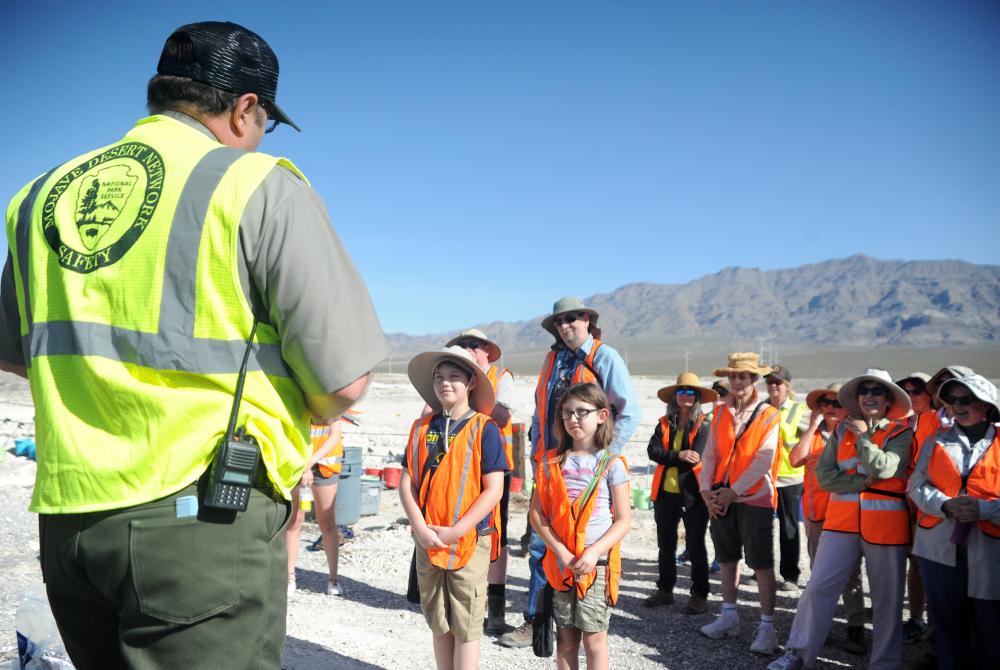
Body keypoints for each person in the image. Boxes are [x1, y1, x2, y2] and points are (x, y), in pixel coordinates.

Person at [0, 21, 386, 669]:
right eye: (264, 121)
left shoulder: (44, 195)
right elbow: (344, 382)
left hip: (69, 520)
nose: (259, 137)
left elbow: (16, 351)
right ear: (244, 108)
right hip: (199, 522)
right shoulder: (257, 186)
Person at [500, 296, 640, 648]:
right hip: (551, 467)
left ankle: (581, 619)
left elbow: (629, 410)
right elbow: (539, 412)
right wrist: (536, 457)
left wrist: (603, 456)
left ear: (587, 321)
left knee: (581, 542)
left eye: (573, 319)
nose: (565, 326)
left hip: (588, 471)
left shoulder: (604, 357)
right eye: (559, 322)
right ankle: (538, 620)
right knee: (541, 544)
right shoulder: (553, 359)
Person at [769, 369, 913, 670]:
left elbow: (886, 469)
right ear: (858, 400)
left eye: (877, 391)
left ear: (888, 400)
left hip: (886, 528)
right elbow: (824, 477)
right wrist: (863, 481)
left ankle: (884, 664)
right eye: (865, 391)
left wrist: (863, 438)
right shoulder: (840, 432)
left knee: (888, 600)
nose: (870, 396)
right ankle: (799, 654)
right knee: (818, 588)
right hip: (840, 524)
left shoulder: (901, 434)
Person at [399, 346, 507, 670]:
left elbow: (494, 490)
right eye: (439, 377)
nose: (446, 383)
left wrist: (457, 531)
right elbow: (407, 482)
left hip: (469, 542)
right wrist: (419, 528)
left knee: (467, 627)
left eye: (455, 377)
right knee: (439, 623)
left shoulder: (484, 428)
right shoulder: (421, 429)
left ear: (472, 382)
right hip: (429, 540)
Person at [531, 383, 631, 670]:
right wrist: (562, 552)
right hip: (561, 564)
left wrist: (593, 552)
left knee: (594, 641)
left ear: (601, 415)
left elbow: (623, 519)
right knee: (565, 639)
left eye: (581, 412)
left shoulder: (612, 464)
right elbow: (538, 515)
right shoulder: (551, 463)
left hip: (596, 565)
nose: (573, 419)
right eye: (567, 413)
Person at [909, 373, 1000, 670]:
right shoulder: (936, 440)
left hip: (990, 550)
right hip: (938, 548)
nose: (957, 406)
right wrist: (945, 505)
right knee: (948, 626)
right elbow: (916, 484)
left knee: (992, 627)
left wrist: (985, 510)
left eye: (966, 399)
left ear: (986, 405)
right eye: (952, 400)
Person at [697, 352, 781, 655]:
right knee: (727, 557)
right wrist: (706, 491)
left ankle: (768, 628)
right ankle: (729, 616)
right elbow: (710, 455)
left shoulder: (768, 414)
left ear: (754, 379)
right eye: (732, 376)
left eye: (742, 376)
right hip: (720, 495)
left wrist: (734, 491)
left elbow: (764, 460)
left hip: (754, 496)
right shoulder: (719, 412)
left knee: (760, 563)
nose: (736, 381)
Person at [444, 328, 515, 633]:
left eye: (473, 344)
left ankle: (495, 607)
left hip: (494, 467)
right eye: (463, 345)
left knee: (493, 534)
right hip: (460, 466)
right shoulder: (452, 381)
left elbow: (501, 415)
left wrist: (470, 400)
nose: (468, 349)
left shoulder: (502, 378)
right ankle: (461, 599)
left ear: (487, 349)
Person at [789, 383, 865, 656]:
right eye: (825, 402)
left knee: (850, 576)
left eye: (836, 403)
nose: (830, 408)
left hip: (844, 516)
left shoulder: (853, 436)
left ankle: (856, 626)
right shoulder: (816, 435)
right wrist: (811, 427)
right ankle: (823, 627)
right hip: (815, 516)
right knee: (819, 575)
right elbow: (795, 459)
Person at [643, 372, 715, 615]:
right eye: (682, 392)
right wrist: (678, 455)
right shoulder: (664, 423)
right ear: (675, 396)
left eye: (691, 392)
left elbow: (696, 457)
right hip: (665, 494)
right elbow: (652, 451)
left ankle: (699, 596)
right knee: (666, 545)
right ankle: (665, 591)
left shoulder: (704, 424)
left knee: (696, 546)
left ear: (697, 398)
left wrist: (673, 457)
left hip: (693, 495)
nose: (686, 396)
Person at [286, 414, 352, 596]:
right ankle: (289, 576)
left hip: (325, 465)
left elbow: (333, 436)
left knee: (327, 522)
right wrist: (302, 465)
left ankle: (333, 578)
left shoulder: (332, 400)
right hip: (298, 463)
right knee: (294, 521)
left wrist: (309, 464)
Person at [895, 372, 933, 645]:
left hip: (932, 504)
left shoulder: (943, 422)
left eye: (917, 389)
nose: (912, 394)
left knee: (932, 565)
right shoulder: (905, 422)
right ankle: (917, 619)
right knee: (914, 562)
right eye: (905, 390)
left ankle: (936, 624)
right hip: (906, 503)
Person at [763, 365, 808, 592]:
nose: (772, 386)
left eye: (777, 382)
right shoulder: (761, 408)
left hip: (789, 478)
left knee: (788, 527)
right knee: (760, 527)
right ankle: (760, 570)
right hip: (763, 478)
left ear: (787, 386)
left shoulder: (799, 411)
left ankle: (790, 575)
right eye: (769, 382)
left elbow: (811, 440)